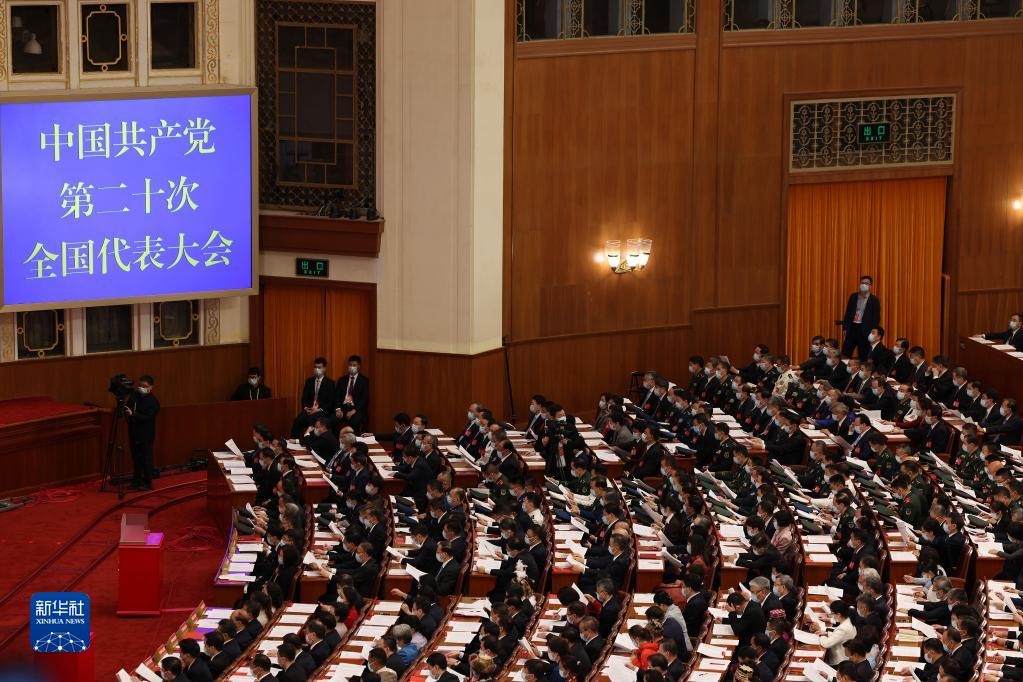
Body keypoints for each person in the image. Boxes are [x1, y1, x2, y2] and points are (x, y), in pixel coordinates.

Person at [125, 374, 160, 491]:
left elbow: (148, 417)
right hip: (133, 431)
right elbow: (128, 407)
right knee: (135, 457)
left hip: (146, 434)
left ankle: (147, 482)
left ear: (151, 387)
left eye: (144, 386)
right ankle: (136, 480)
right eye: (140, 385)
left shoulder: (153, 401)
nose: (141, 388)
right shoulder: (135, 395)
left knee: (146, 457)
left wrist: (133, 415)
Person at [292, 357, 336, 437]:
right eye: (315, 367)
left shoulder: (330, 383)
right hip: (309, 410)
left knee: (312, 419)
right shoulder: (309, 381)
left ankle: (308, 441)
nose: (316, 369)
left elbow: (330, 402)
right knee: (298, 419)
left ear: (324, 369)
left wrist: (318, 410)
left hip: (321, 411)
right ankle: (295, 440)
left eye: (319, 367)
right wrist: (306, 408)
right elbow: (304, 398)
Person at [840, 275, 881, 359]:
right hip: (852, 327)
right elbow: (848, 313)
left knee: (863, 354)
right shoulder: (853, 296)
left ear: (870, 286)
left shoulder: (874, 300)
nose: (864, 285)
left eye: (866, 283)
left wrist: (873, 332)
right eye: (862, 283)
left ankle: (862, 366)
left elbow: (876, 317)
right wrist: (845, 327)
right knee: (846, 351)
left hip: (865, 330)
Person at [336, 355, 370, 433]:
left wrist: (353, 411)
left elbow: (364, 399)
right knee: (333, 419)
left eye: (354, 365)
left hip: (356, 409)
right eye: (350, 365)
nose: (352, 367)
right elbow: (337, 397)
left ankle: (354, 440)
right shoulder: (342, 380)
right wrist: (338, 409)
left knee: (355, 421)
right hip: (343, 408)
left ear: (359, 366)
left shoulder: (364, 381)